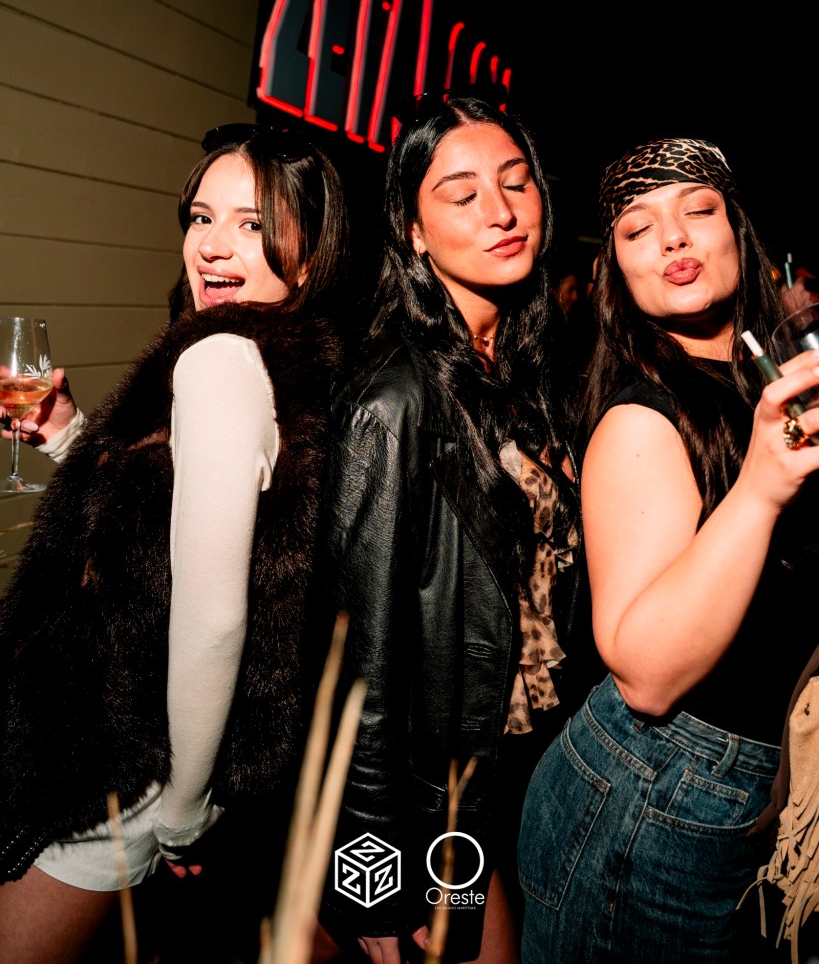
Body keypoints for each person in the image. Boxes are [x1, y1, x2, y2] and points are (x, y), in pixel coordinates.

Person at [0, 122, 348, 964]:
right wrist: (69, 433)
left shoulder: (220, 360)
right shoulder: (275, 356)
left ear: (308, 254)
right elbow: (166, 530)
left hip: (105, 766)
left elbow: (214, 617)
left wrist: (185, 807)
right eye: (201, 217)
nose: (213, 246)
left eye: (252, 223)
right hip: (121, 755)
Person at [518, 137, 819, 963]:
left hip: (741, 791)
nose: (673, 238)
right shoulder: (639, 420)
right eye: (638, 229)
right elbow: (644, 675)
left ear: (737, 232)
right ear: (616, 270)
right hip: (652, 799)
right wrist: (759, 488)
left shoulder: (764, 383)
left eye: (697, 210)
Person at [318, 95, 582, 964]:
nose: (500, 211)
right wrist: (369, 882)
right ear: (413, 231)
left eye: (515, 183)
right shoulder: (393, 401)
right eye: (461, 194)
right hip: (443, 804)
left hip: (526, 764)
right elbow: (360, 668)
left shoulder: (525, 366)